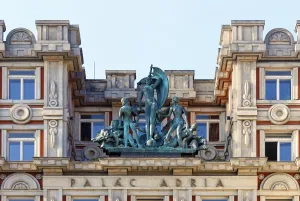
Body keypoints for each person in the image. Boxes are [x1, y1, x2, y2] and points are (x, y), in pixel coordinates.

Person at [138, 71, 162, 141]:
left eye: (150, 80)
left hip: (151, 103)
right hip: (150, 103)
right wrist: (140, 107)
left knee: (150, 121)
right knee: (148, 121)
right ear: (145, 81)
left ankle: (150, 137)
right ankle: (149, 137)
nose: (148, 81)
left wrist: (141, 108)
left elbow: (160, 79)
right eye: (147, 80)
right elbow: (139, 99)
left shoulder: (149, 87)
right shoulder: (150, 87)